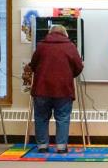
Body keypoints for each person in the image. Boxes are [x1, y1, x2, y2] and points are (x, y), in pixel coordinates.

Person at [28, 25, 83, 154]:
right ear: (65, 34)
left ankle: (42, 146)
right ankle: (61, 147)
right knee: (63, 117)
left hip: (42, 89)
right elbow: (78, 67)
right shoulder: (70, 46)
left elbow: (33, 65)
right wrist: (70, 74)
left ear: (50, 33)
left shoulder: (41, 46)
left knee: (41, 117)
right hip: (63, 89)